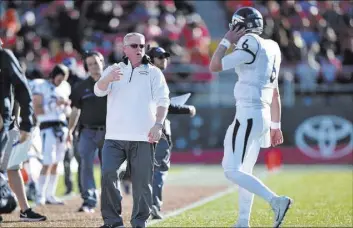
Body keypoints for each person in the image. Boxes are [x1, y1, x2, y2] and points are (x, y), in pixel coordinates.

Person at [209, 7, 293, 228]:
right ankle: (243, 222)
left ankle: (276, 200)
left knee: (232, 171)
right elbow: (275, 93)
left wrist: (226, 41)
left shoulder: (250, 43)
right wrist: (276, 125)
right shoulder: (272, 46)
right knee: (243, 172)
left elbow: (214, 65)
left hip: (248, 114)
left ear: (239, 26)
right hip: (262, 114)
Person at [94, 32, 170, 228]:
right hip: (114, 137)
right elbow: (98, 90)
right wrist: (107, 79)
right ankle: (112, 221)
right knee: (108, 174)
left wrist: (158, 124)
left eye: (142, 46)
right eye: (134, 46)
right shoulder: (113, 69)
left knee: (143, 184)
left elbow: (163, 101)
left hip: (144, 137)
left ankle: (139, 222)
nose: (139, 49)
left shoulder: (154, 72)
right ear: (124, 49)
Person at [147, 47, 196, 219]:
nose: (164, 60)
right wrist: (186, 109)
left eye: (165, 57)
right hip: (157, 129)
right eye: (159, 57)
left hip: (142, 128)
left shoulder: (143, 76)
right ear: (151, 59)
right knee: (159, 169)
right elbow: (165, 105)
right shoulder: (156, 77)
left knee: (146, 169)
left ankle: (145, 205)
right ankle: (153, 205)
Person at [0, 40, 47, 222]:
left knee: (13, 166)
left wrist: (26, 122)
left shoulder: (4, 56)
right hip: (7, 122)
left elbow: (22, 87)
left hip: (6, 123)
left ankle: (24, 209)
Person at [67, 51, 106, 213]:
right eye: (90, 64)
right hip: (87, 132)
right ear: (86, 67)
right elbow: (75, 111)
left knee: (109, 168)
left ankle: (110, 200)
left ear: (102, 63)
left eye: (96, 63)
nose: (94, 67)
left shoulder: (114, 83)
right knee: (85, 166)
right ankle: (89, 201)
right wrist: (70, 131)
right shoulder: (80, 87)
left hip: (109, 132)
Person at [31, 64, 71, 206]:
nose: (62, 82)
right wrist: (54, 105)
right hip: (47, 127)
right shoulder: (40, 85)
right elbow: (38, 111)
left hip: (62, 127)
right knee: (47, 162)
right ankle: (40, 195)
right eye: (60, 78)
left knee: (57, 163)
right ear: (54, 75)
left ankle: (50, 194)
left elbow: (67, 113)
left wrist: (66, 106)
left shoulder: (65, 87)